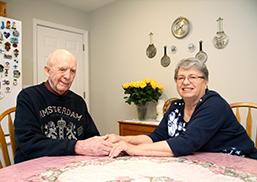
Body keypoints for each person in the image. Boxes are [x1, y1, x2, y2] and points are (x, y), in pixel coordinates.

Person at [107, 57, 257, 159]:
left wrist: (132, 149)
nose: (186, 82)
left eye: (192, 77)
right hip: (202, 162)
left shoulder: (214, 105)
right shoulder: (175, 107)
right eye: (180, 78)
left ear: (205, 82)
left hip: (240, 162)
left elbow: (185, 143)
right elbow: (156, 137)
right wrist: (121, 138)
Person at [14, 49, 112, 163]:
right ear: (47, 71)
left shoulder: (78, 101)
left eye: (73, 71)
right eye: (62, 69)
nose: (68, 76)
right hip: (34, 165)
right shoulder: (28, 96)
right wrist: (77, 146)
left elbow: (92, 137)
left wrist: (107, 143)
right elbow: (29, 143)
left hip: (71, 165)